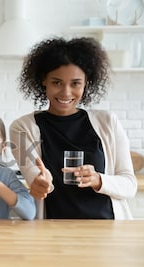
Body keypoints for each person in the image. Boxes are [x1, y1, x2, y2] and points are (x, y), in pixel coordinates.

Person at [9, 37, 137, 220]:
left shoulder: (109, 122)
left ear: (86, 83)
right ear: (43, 80)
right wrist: (40, 183)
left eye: (75, 83)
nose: (66, 92)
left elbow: (129, 185)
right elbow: (33, 176)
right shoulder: (22, 128)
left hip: (107, 230)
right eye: (57, 82)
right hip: (53, 232)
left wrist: (98, 179)